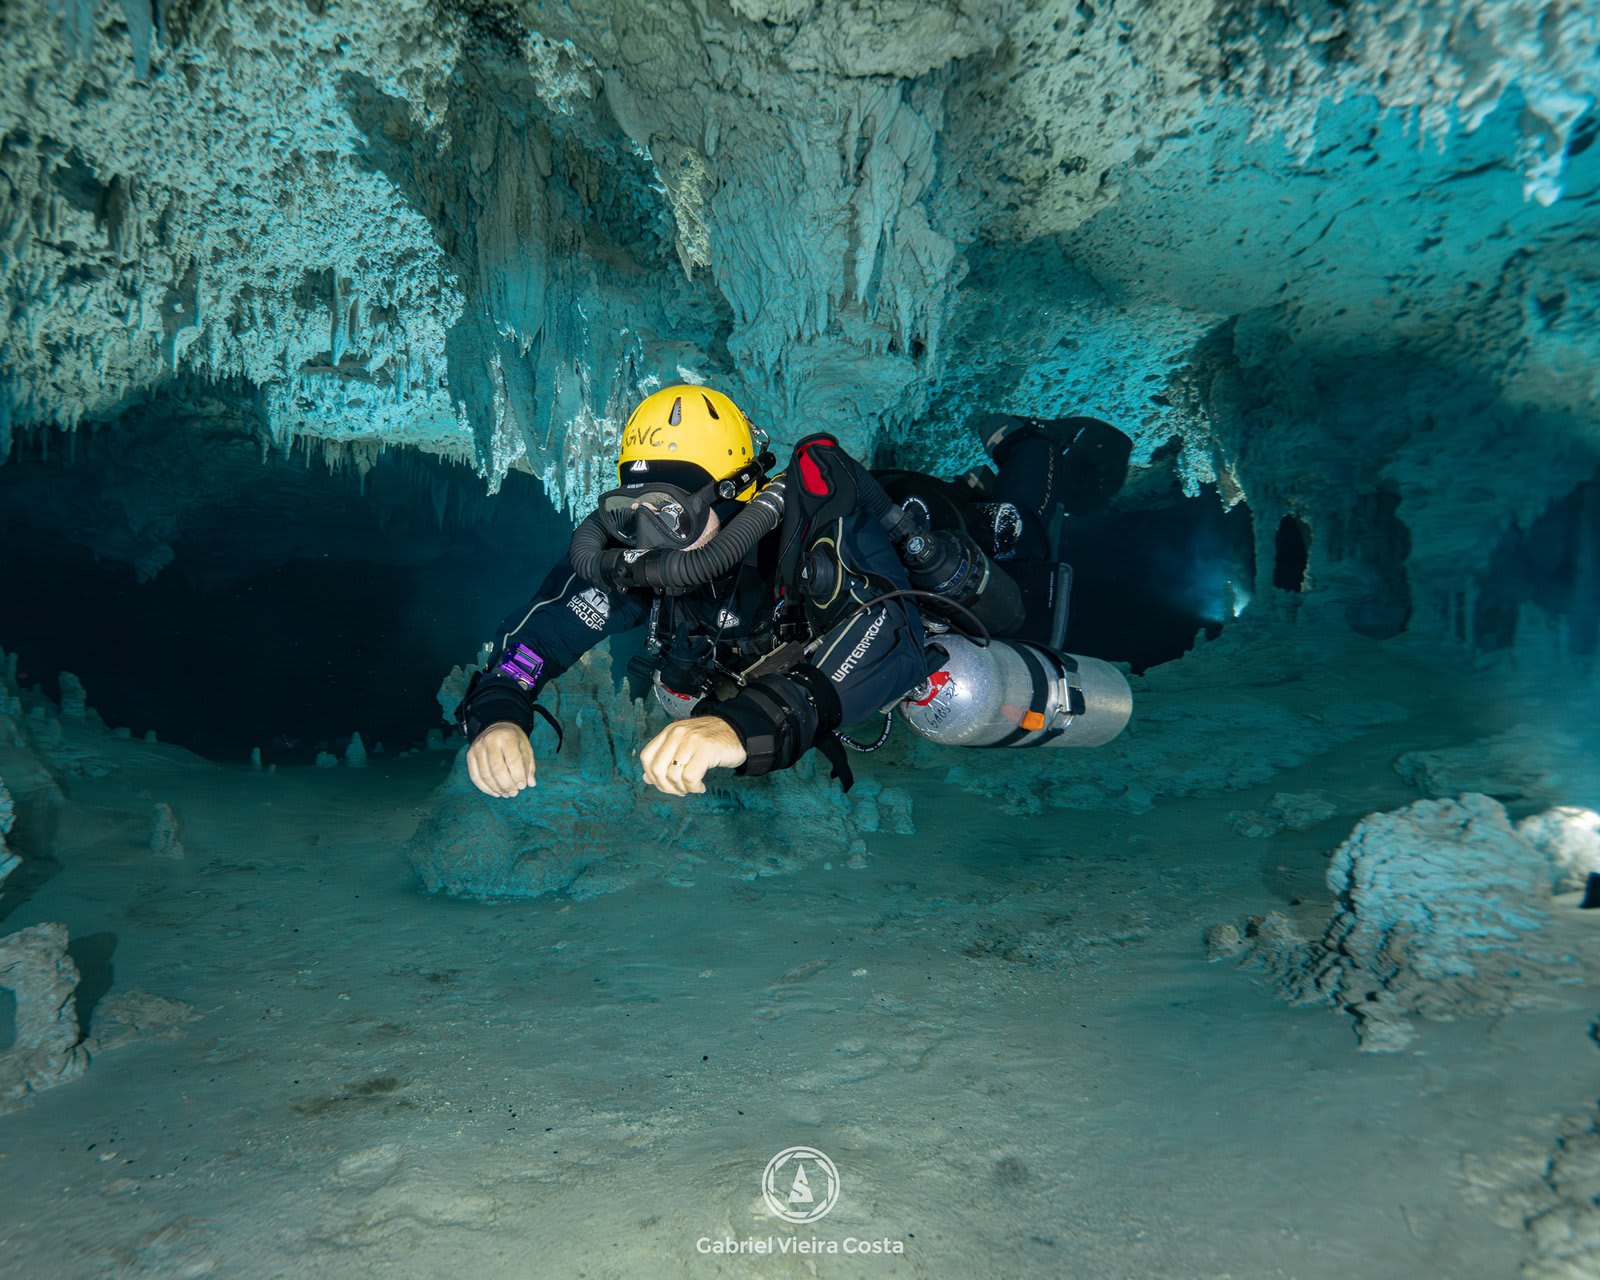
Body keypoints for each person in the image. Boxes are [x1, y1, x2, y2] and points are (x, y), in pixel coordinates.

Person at [456, 385, 1133, 799]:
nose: (647, 538)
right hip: (793, 655)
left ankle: (1028, 448)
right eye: (630, 511)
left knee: (1020, 549)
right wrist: (499, 709)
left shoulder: (814, 534)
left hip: (915, 537)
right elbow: (537, 640)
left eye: (672, 513)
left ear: (735, 494)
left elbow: (889, 636)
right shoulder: (634, 555)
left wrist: (742, 725)